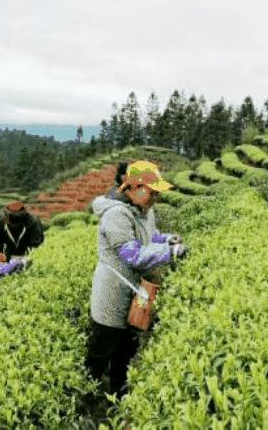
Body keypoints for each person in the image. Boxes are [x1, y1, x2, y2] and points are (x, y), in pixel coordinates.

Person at [86, 160, 189, 397]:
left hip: (134, 291)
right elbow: (132, 255)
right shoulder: (116, 215)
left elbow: (150, 237)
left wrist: (167, 240)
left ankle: (119, 398)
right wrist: (169, 253)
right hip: (111, 294)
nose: (155, 198)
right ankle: (86, 401)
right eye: (152, 192)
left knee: (126, 350)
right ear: (133, 188)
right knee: (101, 351)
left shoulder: (145, 210)